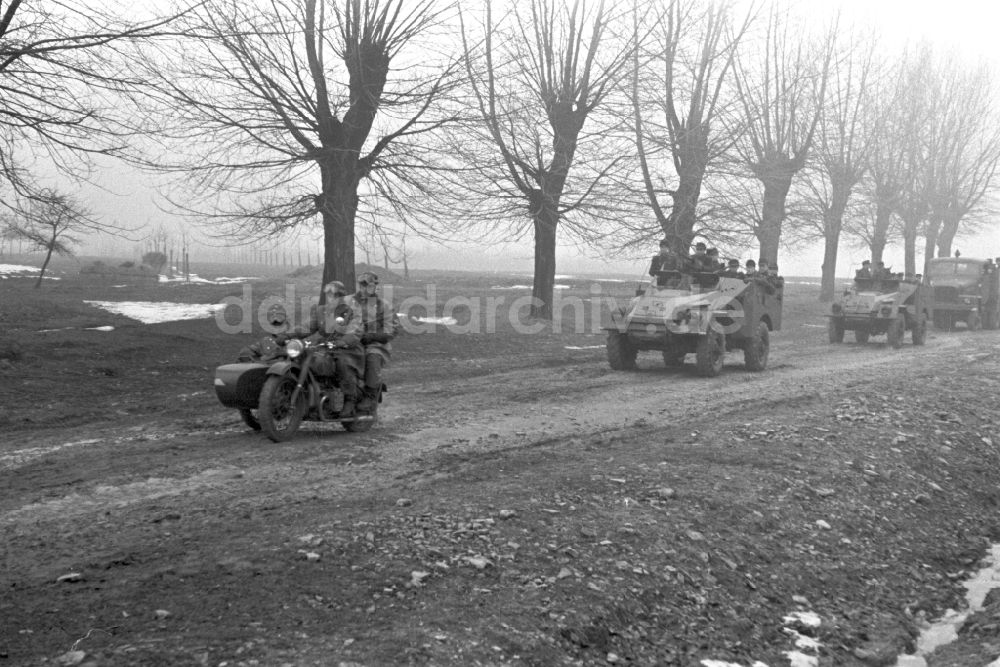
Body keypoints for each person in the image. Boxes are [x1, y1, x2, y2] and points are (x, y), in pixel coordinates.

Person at [308, 281, 365, 413]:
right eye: (328, 295)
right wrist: (286, 336)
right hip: (326, 345)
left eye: (334, 295)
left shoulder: (351, 311)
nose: (331, 298)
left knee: (342, 362)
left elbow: (355, 330)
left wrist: (342, 341)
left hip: (348, 348)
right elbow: (307, 326)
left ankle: (350, 398)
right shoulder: (321, 310)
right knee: (304, 356)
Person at [352, 271, 398, 413]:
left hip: (376, 344)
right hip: (352, 342)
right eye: (362, 285)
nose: (365, 289)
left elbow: (391, 330)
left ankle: (371, 395)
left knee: (372, 356)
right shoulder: (350, 303)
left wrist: (371, 337)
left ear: (375, 287)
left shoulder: (383, 306)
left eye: (369, 286)